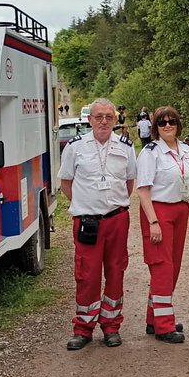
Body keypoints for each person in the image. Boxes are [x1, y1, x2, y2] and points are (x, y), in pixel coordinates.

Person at [58, 97, 136, 350]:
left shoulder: (125, 146)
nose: (104, 121)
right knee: (87, 275)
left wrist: (111, 204)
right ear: (89, 119)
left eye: (108, 117)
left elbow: (129, 183)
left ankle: (111, 326)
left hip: (117, 219)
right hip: (87, 222)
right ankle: (83, 329)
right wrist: (85, 204)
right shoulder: (75, 147)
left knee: (116, 271)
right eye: (98, 117)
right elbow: (66, 183)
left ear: (115, 120)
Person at [136, 107, 189, 344]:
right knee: (162, 266)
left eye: (172, 121)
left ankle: (154, 318)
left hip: (180, 209)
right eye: (162, 123)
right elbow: (143, 190)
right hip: (158, 210)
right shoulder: (150, 152)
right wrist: (153, 221)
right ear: (155, 127)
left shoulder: (187, 150)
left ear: (178, 124)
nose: (167, 125)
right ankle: (164, 326)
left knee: (173, 267)